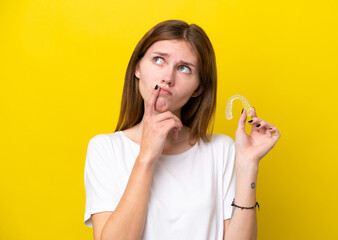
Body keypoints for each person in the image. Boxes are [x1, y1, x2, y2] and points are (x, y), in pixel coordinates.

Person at [83, 20, 280, 240]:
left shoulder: (220, 149)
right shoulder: (105, 149)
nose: (167, 78)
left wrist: (248, 165)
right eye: (159, 60)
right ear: (137, 68)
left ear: (199, 88)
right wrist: (146, 157)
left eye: (184, 68)